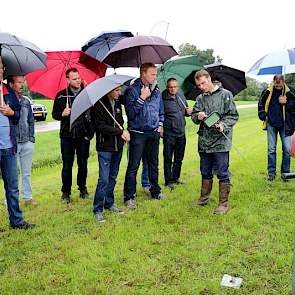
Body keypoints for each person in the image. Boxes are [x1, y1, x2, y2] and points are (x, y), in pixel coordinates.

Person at [191, 69, 239, 214]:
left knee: (222, 172)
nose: (201, 87)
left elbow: (233, 115)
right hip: (204, 141)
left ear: (209, 79)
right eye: (198, 85)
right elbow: (193, 116)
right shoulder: (200, 98)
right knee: (205, 171)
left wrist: (223, 124)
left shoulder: (226, 95)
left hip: (221, 142)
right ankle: (204, 198)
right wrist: (197, 116)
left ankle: (223, 204)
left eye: (203, 83)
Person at [123, 63, 165, 209]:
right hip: (137, 134)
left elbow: (161, 111)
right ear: (143, 74)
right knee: (133, 166)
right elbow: (131, 113)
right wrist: (141, 98)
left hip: (153, 133)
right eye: (152, 74)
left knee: (154, 165)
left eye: (155, 74)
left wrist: (160, 124)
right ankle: (129, 196)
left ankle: (155, 191)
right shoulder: (132, 90)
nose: (155, 77)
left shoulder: (157, 90)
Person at [0, 57, 35, 229]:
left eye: (1, 67)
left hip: (8, 146)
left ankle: (17, 221)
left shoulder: (7, 90)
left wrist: (10, 111)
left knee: (12, 187)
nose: (0, 70)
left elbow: (18, 113)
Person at [52, 68, 94, 204]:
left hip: (83, 136)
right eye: (74, 78)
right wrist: (62, 114)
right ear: (68, 80)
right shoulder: (61, 96)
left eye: (78, 77)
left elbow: (93, 115)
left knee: (83, 165)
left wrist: (90, 133)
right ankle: (66, 192)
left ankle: (83, 189)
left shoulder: (87, 95)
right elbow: (54, 114)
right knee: (67, 166)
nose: (78, 80)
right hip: (67, 136)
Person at [91, 86, 130, 222]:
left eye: (120, 90)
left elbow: (119, 122)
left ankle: (109, 203)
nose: (120, 93)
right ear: (108, 90)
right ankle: (97, 209)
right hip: (105, 148)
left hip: (118, 146)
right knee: (104, 179)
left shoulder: (118, 103)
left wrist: (123, 134)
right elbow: (100, 127)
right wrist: (120, 132)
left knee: (113, 177)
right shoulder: (98, 104)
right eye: (117, 90)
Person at [258, 74, 295, 181]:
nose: (278, 85)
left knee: (287, 150)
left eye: (280, 83)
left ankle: (285, 173)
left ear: (283, 82)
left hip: (285, 125)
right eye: (276, 83)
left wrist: (287, 102)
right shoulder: (267, 91)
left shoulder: (291, 92)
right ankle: (271, 173)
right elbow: (261, 104)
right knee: (271, 149)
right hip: (272, 124)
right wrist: (263, 116)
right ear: (273, 81)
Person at [8, 75, 37, 206]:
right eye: (19, 82)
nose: (22, 85)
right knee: (11, 174)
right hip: (11, 142)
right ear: (11, 84)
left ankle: (27, 198)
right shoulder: (5, 100)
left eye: (23, 82)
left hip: (26, 141)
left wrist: (31, 138)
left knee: (26, 172)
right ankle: (9, 200)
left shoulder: (26, 101)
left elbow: (31, 120)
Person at [162, 78, 192, 190]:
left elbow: (186, 111)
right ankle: (168, 181)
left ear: (178, 87)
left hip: (181, 132)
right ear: (167, 87)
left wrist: (188, 112)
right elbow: (159, 115)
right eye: (170, 87)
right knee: (168, 158)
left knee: (179, 157)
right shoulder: (162, 98)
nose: (173, 89)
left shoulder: (180, 96)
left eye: (175, 87)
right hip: (169, 133)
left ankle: (176, 178)